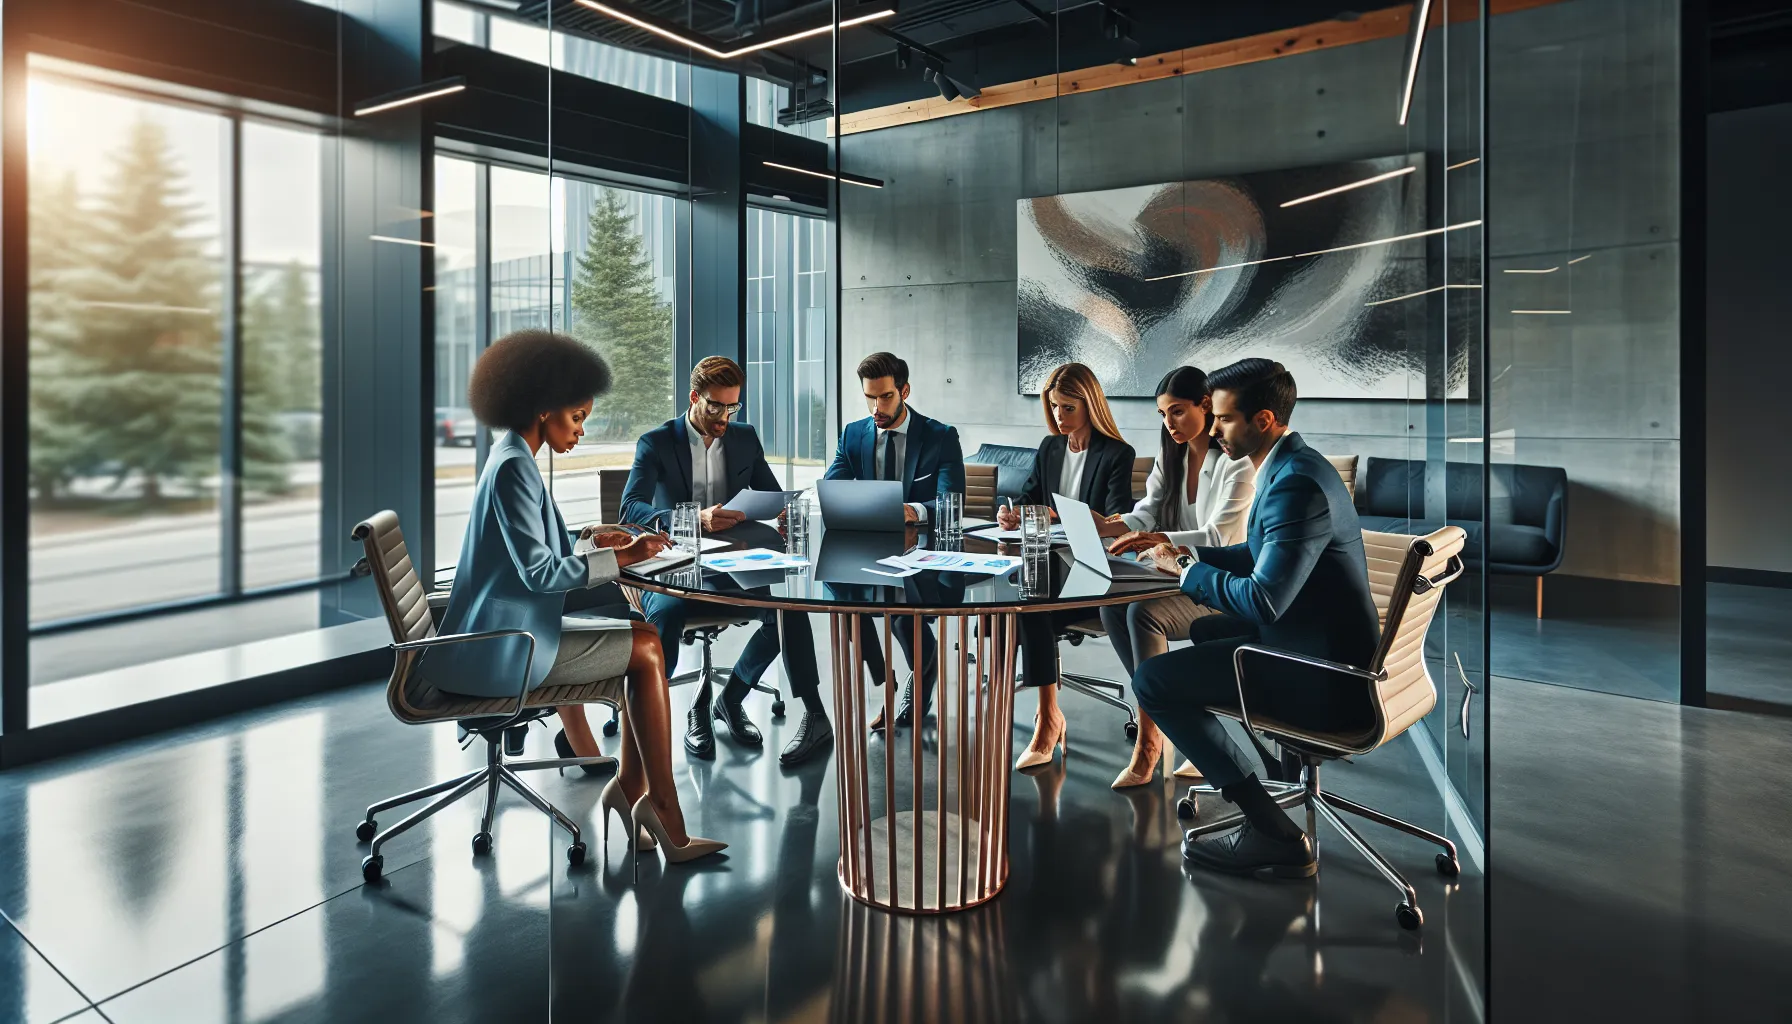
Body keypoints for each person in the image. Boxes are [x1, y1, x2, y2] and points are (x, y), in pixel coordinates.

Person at [428, 329, 724, 864]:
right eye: (577, 417)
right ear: (543, 409)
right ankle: (661, 810)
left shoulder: (512, 455)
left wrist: (592, 538)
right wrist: (625, 560)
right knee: (647, 648)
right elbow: (540, 573)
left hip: (505, 633)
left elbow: (536, 547)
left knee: (645, 639)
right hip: (505, 646)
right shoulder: (515, 467)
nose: (582, 430)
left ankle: (634, 791)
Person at [1126, 358, 1377, 879]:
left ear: (1263, 420)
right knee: (1203, 629)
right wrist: (1183, 555)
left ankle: (1271, 830)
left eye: (1223, 419)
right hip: (1319, 644)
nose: (1214, 429)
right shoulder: (1295, 466)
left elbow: (1264, 600)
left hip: (1322, 674)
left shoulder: (1295, 485)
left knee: (1152, 681)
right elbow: (1259, 553)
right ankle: (1272, 769)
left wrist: (1188, 571)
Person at [619, 355, 832, 767]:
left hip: (731, 563)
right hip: (673, 565)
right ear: (694, 397)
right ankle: (649, 729)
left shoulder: (744, 438)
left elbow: (769, 492)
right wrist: (692, 519)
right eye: (716, 406)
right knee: (667, 613)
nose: (725, 418)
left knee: (787, 610)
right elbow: (631, 508)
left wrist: (781, 509)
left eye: (733, 407)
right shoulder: (656, 442)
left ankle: (749, 703)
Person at [1097, 366, 1257, 789]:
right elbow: (1146, 512)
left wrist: (1159, 539)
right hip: (1174, 574)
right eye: (1163, 414)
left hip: (1219, 581)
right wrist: (1109, 524)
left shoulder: (1237, 463)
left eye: (1178, 411)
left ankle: (1151, 739)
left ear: (1206, 405)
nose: (1169, 423)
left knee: (1141, 613)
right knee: (1112, 608)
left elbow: (1220, 537)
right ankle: (1174, 721)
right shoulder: (1173, 455)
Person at [993, 363, 1136, 771]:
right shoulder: (1050, 448)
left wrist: (1067, 517)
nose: (1058, 415)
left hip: (1094, 569)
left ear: (1090, 405)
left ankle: (1047, 720)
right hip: (1050, 564)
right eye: (1054, 406)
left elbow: (1119, 519)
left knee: (1031, 600)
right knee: (1014, 597)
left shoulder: (1116, 454)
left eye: (1068, 407)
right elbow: (1030, 498)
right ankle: (1046, 712)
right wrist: (1012, 515)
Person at [824, 351, 964, 730]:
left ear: (904, 391)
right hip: (869, 550)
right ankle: (887, 682)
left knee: (901, 609)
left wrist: (912, 510)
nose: (876, 408)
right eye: (869, 397)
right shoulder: (854, 434)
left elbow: (951, 503)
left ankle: (922, 674)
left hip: (923, 551)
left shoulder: (939, 437)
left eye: (885, 397)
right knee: (839, 597)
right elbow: (833, 488)